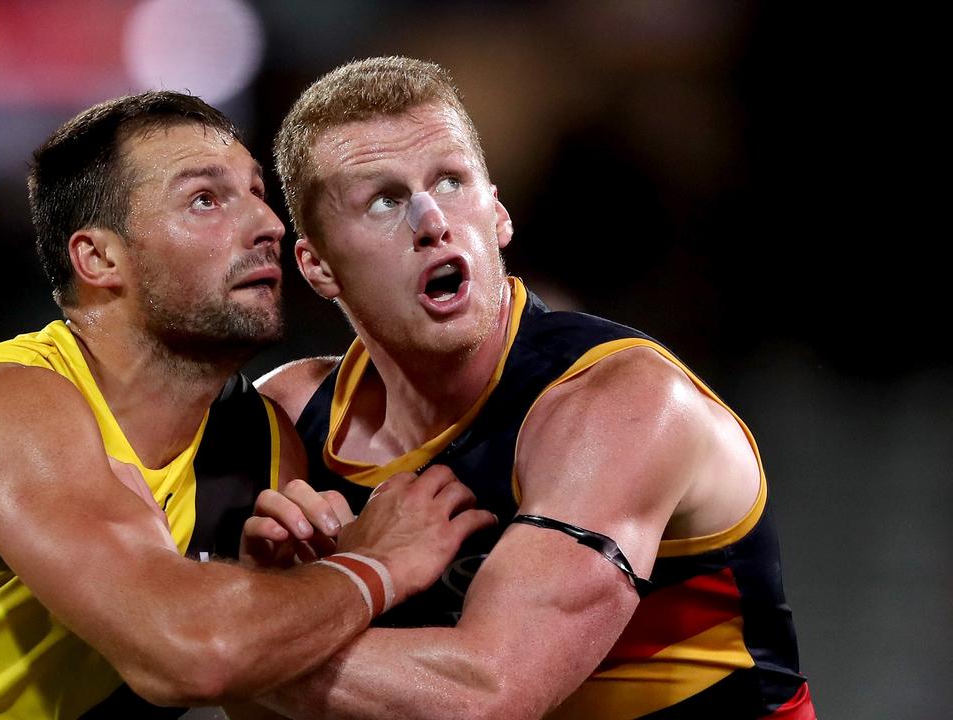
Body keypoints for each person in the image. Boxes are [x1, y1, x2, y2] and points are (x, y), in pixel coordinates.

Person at [0, 90, 494, 720]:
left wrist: (270, 592)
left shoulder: (260, 443)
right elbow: (190, 654)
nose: (264, 223)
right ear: (99, 258)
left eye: (257, 194)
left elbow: (256, 695)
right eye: (206, 199)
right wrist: (375, 568)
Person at [248, 57, 814, 719]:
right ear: (316, 265)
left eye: (451, 181)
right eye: (384, 199)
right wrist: (274, 594)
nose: (430, 221)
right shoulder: (285, 418)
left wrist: (243, 637)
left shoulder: (624, 404)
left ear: (498, 215)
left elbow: (486, 697)